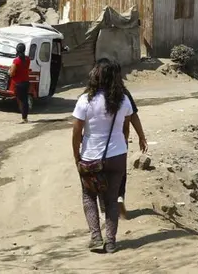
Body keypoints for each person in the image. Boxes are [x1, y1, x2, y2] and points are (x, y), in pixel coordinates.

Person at [72, 60, 133, 253]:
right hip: (117, 157)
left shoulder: (85, 100)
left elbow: (76, 134)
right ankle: (111, 242)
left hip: (90, 157)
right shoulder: (124, 100)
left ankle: (96, 238)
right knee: (112, 199)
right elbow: (125, 129)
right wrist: (118, 147)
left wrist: (77, 157)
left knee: (89, 196)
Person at [118, 84, 148, 220]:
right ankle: (119, 197)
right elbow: (133, 115)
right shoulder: (123, 93)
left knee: (101, 175)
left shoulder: (92, 95)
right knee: (120, 172)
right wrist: (141, 137)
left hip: (97, 145)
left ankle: (106, 207)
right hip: (120, 142)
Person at [8, 43, 30, 123]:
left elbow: (12, 73)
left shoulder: (16, 60)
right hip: (26, 82)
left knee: (21, 100)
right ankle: (25, 117)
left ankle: (24, 118)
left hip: (18, 83)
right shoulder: (27, 59)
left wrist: (10, 71)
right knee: (25, 100)